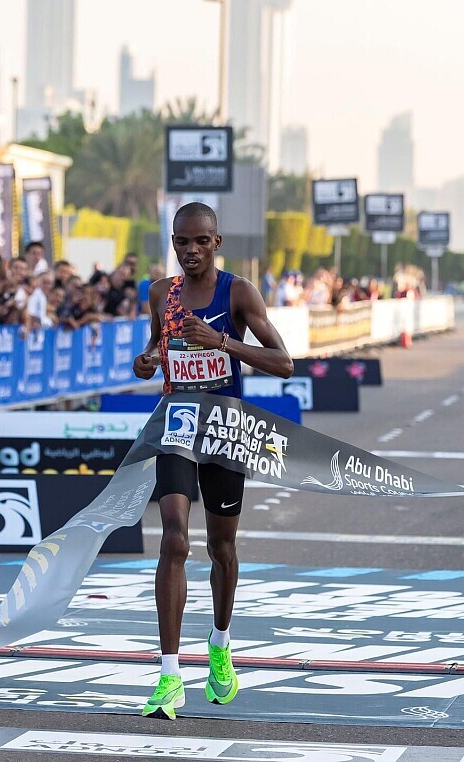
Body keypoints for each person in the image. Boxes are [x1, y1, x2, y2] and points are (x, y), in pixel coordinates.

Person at [132, 202, 293, 720]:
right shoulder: (161, 293)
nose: (191, 250)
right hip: (177, 422)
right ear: (173, 243)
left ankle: (220, 642)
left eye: (201, 241)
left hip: (224, 427)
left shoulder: (238, 293)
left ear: (216, 243)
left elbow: (284, 363)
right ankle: (169, 675)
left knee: (221, 547)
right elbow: (157, 345)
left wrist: (223, 342)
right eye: (182, 242)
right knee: (174, 539)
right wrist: (146, 360)